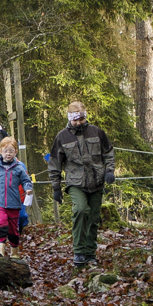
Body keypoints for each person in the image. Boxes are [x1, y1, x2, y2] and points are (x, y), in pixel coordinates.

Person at [47, 99, 115, 269]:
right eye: (75, 119)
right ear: (69, 118)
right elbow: (55, 162)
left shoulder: (97, 132)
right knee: (80, 210)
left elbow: (108, 152)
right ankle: (78, 251)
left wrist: (109, 170)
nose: (78, 123)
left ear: (85, 117)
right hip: (75, 182)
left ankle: (90, 253)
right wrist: (56, 186)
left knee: (93, 217)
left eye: (81, 119)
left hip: (97, 181)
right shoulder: (62, 136)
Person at [0, 134, 33, 255]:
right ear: (0, 151)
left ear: (15, 152)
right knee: (1, 224)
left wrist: (28, 189)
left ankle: (14, 253)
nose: (8, 154)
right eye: (5, 151)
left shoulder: (18, 168)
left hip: (14, 203)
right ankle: (0, 252)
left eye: (11, 151)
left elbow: (26, 180)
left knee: (13, 230)